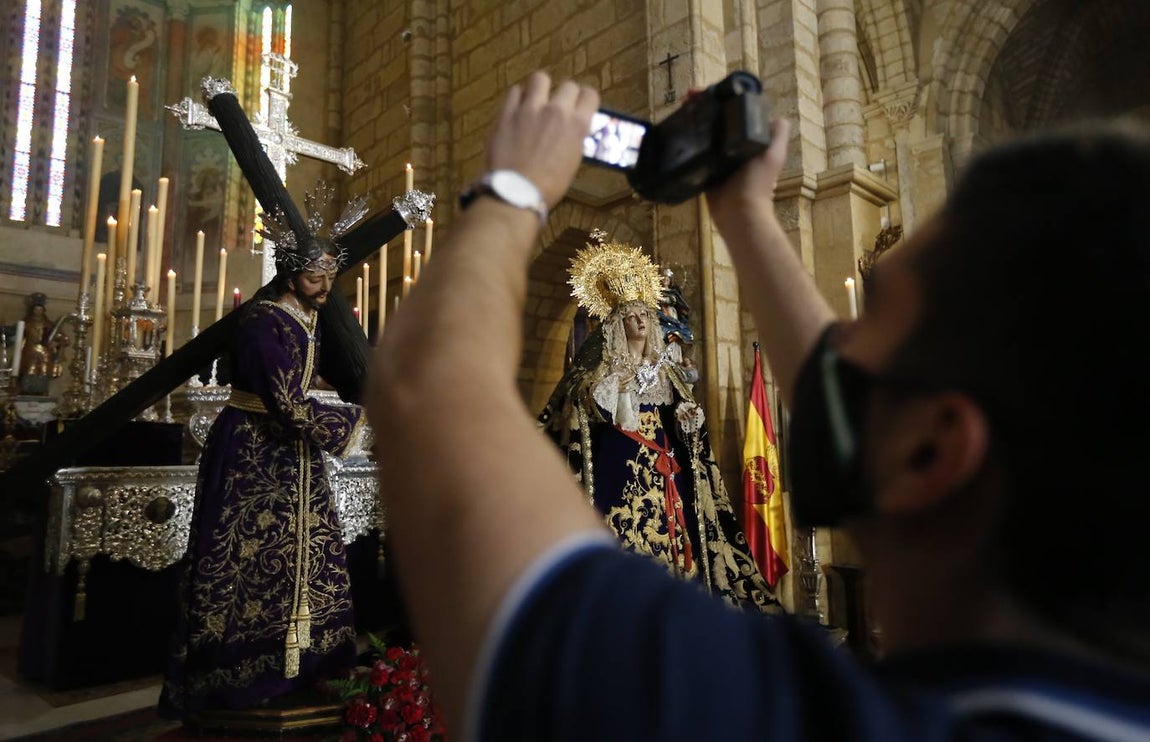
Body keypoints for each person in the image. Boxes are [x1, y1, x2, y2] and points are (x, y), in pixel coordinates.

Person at [366, 71, 1150, 741]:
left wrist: (511, 191)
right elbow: (847, 408)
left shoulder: (742, 713)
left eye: (865, 322)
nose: (829, 359)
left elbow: (426, 387)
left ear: (929, 451)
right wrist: (744, 213)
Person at [160, 186, 368, 720]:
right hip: (253, 452)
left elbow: (304, 385)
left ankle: (306, 663)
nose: (324, 289)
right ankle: (244, 673)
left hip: (293, 454)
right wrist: (358, 422)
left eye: (329, 276)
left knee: (309, 552)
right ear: (288, 273)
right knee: (250, 559)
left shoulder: (306, 316)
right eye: (313, 277)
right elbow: (285, 401)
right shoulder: (262, 321)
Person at [539, 234, 776, 611]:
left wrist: (689, 420)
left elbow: (683, 420)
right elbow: (587, 411)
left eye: (644, 313)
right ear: (617, 324)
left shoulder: (668, 371)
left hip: (668, 469)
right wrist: (614, 386)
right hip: (621, 472)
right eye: (630, 316)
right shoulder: (601, 371)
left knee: (678, 542)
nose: (640, 320)